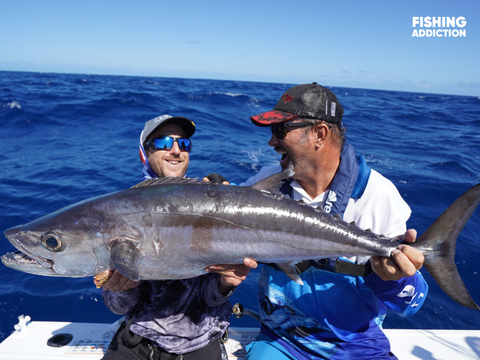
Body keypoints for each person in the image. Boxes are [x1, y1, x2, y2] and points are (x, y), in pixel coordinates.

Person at [240, 83, 428, 359]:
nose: (272, 142)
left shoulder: (377, 194)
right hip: (282, 340)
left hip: (356, 347)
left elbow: (411, 304)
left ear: (319, 134)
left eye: (281, 130)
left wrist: (392, 279)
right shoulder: (266, 183)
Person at [96, 114, 255, 360]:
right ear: (144, 153)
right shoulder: (120, 210)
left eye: (183, 144)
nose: (175, 150)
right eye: (163, 142)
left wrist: (226, 284)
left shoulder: (210, 201)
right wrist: (123, 289)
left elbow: (210, 298)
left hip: (200, 345)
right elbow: (117, 306)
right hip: (138, 342)